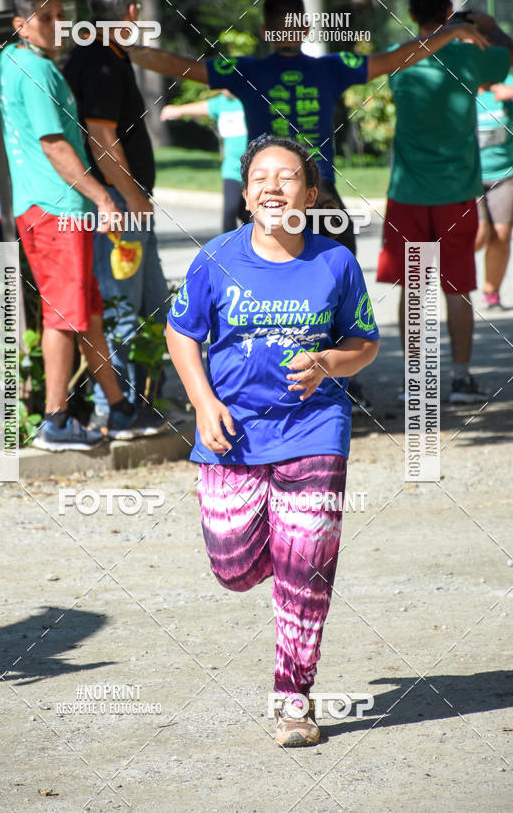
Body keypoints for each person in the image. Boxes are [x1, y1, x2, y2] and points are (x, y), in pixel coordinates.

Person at [166, 134, 380, 747]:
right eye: (261, 177)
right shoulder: (215, 258)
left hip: (315, 428)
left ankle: (294, 700)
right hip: (231, 434)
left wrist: (327, 366)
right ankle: (277, 560)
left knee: (307, 565)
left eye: (288, 178)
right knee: (233, 567)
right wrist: (204, 403)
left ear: (310, 195)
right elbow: (183, 333)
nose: (273, 187)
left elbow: (362, 343)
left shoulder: (335, 262)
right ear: (245, 192)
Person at [129, 0, 486, 256]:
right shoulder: (332, 68)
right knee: (339, 268)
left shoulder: (246, 71)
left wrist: (120, 45)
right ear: (305, 27)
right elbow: (396, 59)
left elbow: (179, 66)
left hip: (266, 198)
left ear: (266, 30)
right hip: (320, 195)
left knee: (271, 277)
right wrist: (450, 33)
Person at [0, 0, 166, 450]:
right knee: (64, 316)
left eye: (60, 16)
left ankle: (118, 408)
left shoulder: (7, 63)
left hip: (46, 210)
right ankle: (55, 423)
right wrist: (103, 198)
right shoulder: (37, 71)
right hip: (58, 211)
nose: (57, 27)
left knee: (86, 313)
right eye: (45, 19)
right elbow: (55, 145)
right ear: (21, 26)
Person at [376, 0, 513, 403]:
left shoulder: (399, 61)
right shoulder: (469, 58)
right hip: (456, 193)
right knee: (457, 289)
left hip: (408, 194)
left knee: (412, 289)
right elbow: (508, 55)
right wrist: (487, 26)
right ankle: (459, 378)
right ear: (449, 11)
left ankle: (415, 383)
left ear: (412, 13)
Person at [64, 0, 169, 431]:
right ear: (130, 13)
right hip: (114, 206)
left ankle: (143, 400)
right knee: (121, 305)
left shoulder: (104, 53)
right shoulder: (102, 63)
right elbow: (101, 137)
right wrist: (130, 196)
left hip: (128, 203)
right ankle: (117, 409)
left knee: (151, 302)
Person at [160, 89, 249, 231]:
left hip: (253, 172)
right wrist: (177, 110)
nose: (225, 90)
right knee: (229, 212)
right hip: (231, 170)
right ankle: (226, 249)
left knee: (249, 215)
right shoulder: (221, 103)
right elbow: (202, 107)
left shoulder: (247, 100)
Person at [475, 75, 513, 310]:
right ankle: (451, 281)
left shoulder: (508, 82)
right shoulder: (461, 81)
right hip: (469, 176)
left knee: (501, 233)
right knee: (479, 234)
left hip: (505, 173)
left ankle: (491, 292)